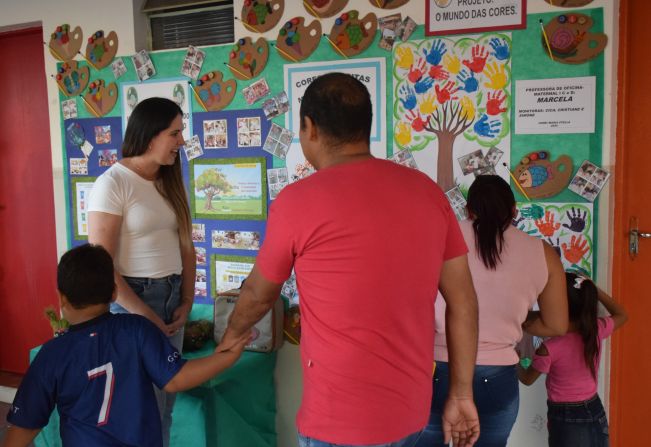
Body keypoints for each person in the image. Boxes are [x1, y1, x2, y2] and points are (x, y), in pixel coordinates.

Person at [218, 72, 481, 447]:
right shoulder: (427, 192)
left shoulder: (296, 202)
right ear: (366, 127)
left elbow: (259, 295)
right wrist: (460, 395)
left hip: (336, 422)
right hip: (410, 413)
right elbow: (464, 302)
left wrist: (231, 334)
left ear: (308, 128)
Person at [2, 244, 248, 447]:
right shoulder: (137, 329)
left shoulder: (51, 354)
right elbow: (176, 379)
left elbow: (24, 428)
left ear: (61, 297)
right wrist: (228, 356)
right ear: (113, 293)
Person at [417, 175, 569, 447]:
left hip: (435, 368)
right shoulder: (543, 253)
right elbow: (556, 325)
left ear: (468, 210)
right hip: (498, 376)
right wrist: (518, 322)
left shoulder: (438, 236)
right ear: (513, 211)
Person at [87, 97, 195, 447]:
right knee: (138, 408)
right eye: (174, 133)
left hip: (171, 298)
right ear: (150, 135)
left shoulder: (170, 181)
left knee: (165, 405)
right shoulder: (113, 183)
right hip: (131, 302)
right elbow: (103, 268)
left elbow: (186, 247)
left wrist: (188, 299)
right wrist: (144, 312)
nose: (181, 141)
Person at [518, 272, 628, 447]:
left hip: (566, 417)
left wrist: (513, 355)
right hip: (594, 408)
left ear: (560, 306)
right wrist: (593, 289)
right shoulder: (596, 329)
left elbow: (526, 378)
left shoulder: (550, 348)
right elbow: (622, 314)